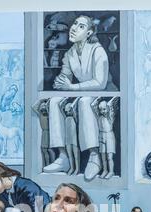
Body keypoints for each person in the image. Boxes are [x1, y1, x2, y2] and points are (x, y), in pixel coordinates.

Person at [44, 15, 109, 176]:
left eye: (81, 26)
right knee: (54, 101)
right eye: (74, 24)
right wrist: (61, 82)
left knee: (84, 102)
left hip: (103, 95)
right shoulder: (70, 54)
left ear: (89, 33)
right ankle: (63, 156)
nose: (74, 28)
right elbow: (65, 77)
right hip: (80, 91)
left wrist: (71, 87)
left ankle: (94, 157)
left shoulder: (98, 51)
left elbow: (100, 83)